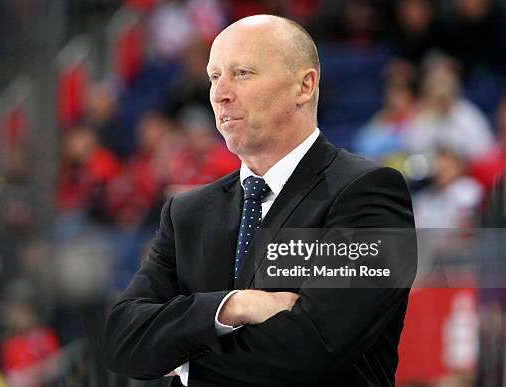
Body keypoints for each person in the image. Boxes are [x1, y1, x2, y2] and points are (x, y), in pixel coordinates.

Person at [104, 15, 415, 386]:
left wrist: (184, 361)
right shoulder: (187, 213)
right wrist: (232, 306)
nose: (220, 93)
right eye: (214, 77)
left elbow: (313, 348)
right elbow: (123, 340)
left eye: (243, 73)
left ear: (304, 86)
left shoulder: (368, 194)